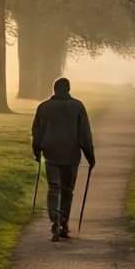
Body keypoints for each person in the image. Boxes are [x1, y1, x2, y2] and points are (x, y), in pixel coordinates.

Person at [31, 78, 95, 241]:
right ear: (68, 89)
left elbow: (36, 132)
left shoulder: (43, 107)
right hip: (71, 155)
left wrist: (37, 151)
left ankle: (55, 219)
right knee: (67, 190)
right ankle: (63, 223)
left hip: (51, 154)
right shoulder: (78, 107)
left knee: (53, 188)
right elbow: (85, 134)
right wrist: (90, 156)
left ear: (54, 89)